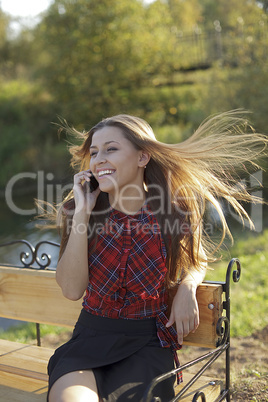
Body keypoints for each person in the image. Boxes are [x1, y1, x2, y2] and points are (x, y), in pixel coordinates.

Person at [47, 111, 267, 402]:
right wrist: (83, 214)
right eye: (94, 152)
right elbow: (72, 289)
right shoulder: (80, 212)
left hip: (147, 345)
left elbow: (196, 258)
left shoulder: (173, 211)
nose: (99, 159)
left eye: (111, 149)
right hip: (88, 341)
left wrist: (188, 288)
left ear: (142, 157)